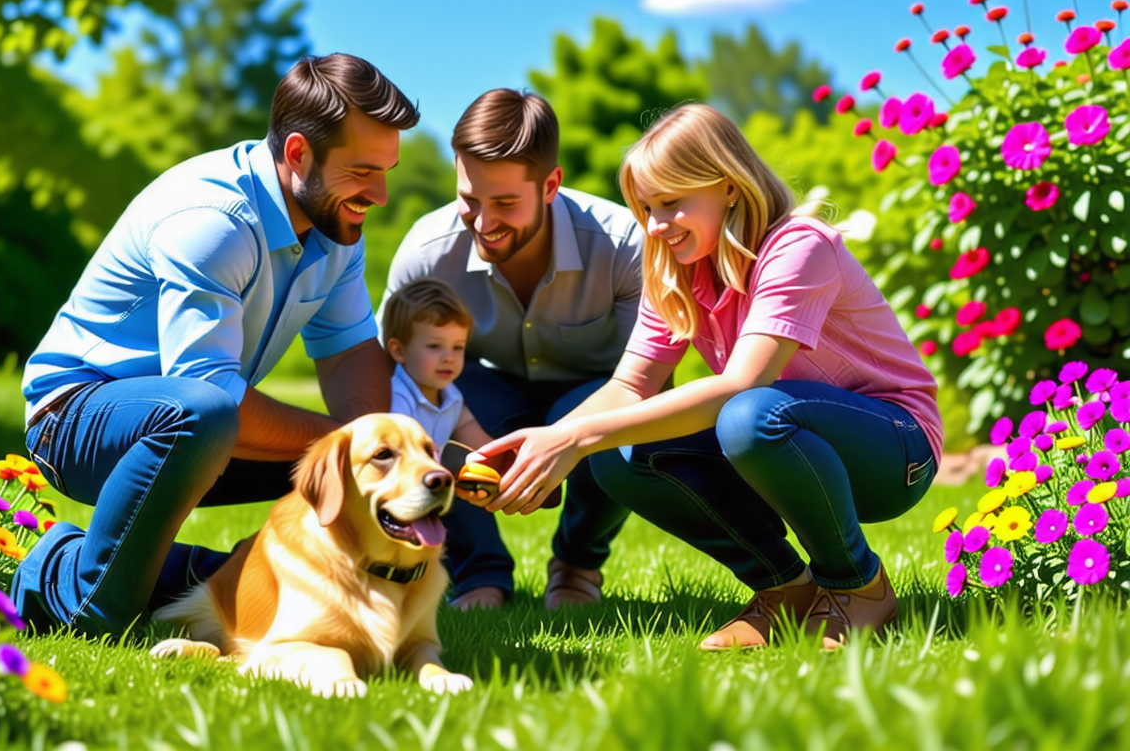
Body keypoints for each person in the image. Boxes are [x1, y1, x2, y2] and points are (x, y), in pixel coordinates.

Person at [472, 104, 942, 650]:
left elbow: (744, 384)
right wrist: (550, 443)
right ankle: (785, 590)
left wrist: (573, 437)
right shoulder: (675, 271)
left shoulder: (798, 247)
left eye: (672, 203)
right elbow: (629, 388)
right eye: (646, 207)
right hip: (790, 441)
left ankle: (858, 586)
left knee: (748, 416)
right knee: (618, 451)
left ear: (730, 188)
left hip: (895, 452)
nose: (654, 225)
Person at [11, 53, 418, 636]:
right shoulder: (215, 221)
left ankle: (222, 575)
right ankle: (64, 580)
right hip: (77, 416)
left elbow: (351, 350)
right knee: (211, 416)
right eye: (362, 171)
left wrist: (388, 458)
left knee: (344, 461)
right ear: (299, 154)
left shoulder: (335, 226)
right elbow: (209, 392)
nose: (378, 195)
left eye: (387, 171)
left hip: (198, 422)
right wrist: (351, 445)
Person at [382, 89, 644, 611]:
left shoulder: (623, 245)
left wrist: (564, 441)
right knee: (423, 403)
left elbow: (647, 380)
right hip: (485, 389)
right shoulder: (426, 251)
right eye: (469, 200)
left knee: (627, 430)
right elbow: (390, 369)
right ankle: (477, 572)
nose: (482, 221)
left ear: (550, 186)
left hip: (597, 391)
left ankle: (576, 564)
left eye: (504, 203)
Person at [381, 277, 492, 452]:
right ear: (399, 351)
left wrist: (499, 460)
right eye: (434, 346)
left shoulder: (452, 396)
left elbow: (469, 429)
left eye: (458, 347)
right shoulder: (397, 400)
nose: (449, 357)